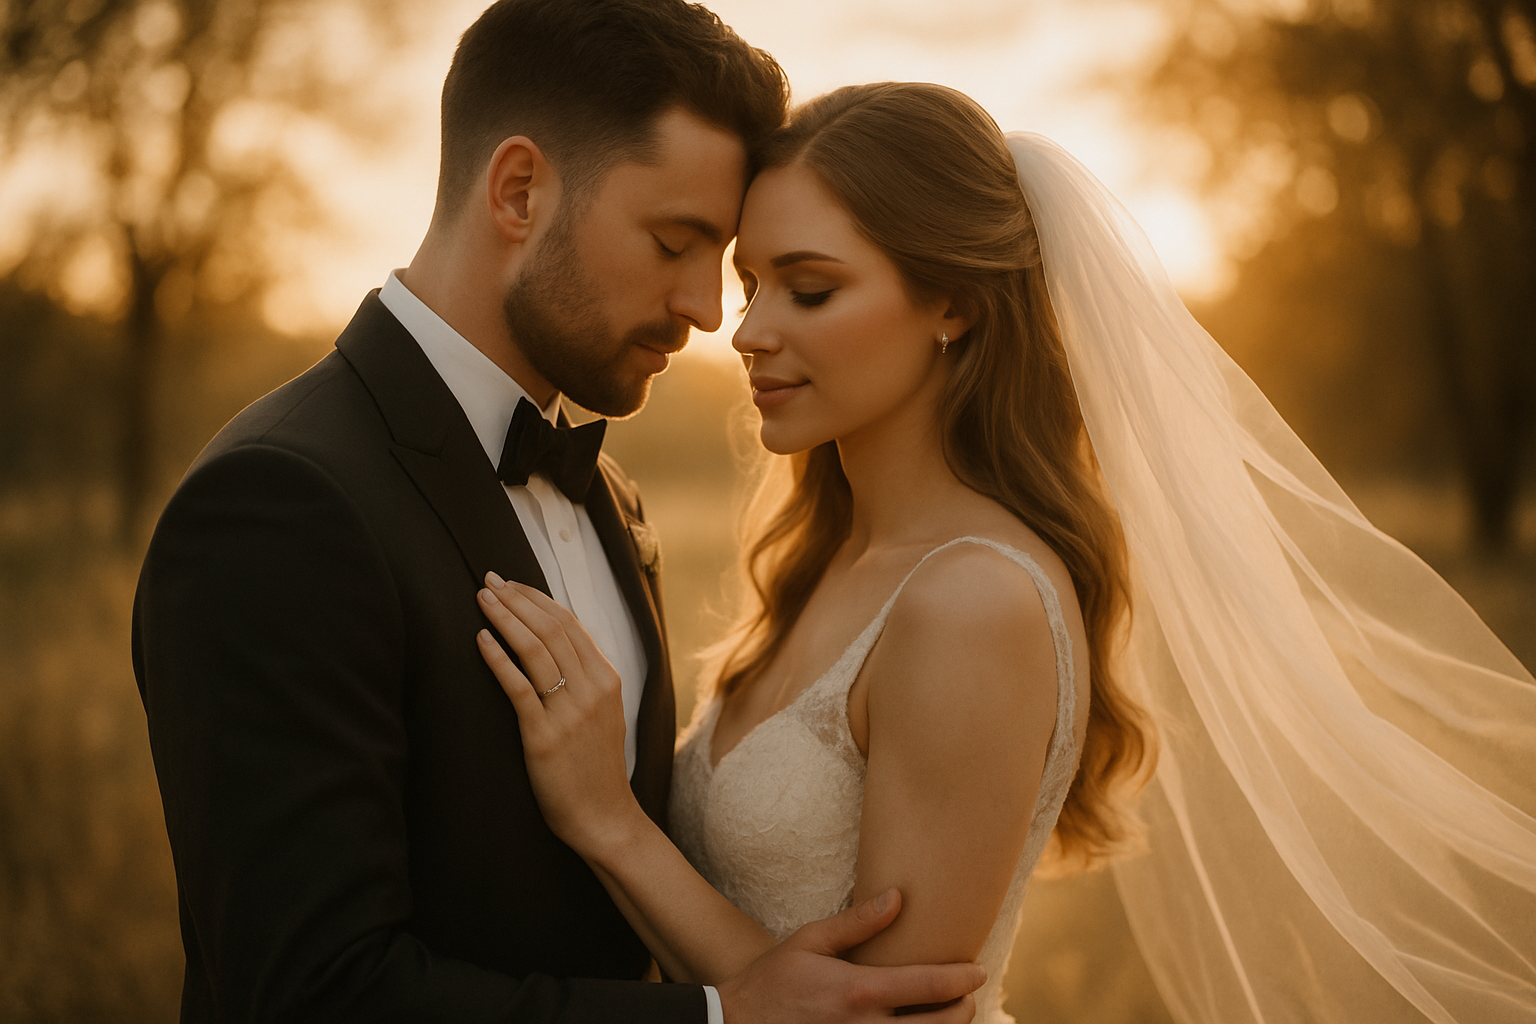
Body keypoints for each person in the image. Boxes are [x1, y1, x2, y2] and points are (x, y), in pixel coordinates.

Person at [475, 82, 1536, 1024]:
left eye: (811, 289)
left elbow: (887, 1019)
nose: (746, 331)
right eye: (753, 285)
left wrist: (610, 823)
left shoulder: (974, 599)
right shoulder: (832, 557)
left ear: (955, 304)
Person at [131, 4, 987, 1021]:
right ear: (519, 191)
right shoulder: (280, 502)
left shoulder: (608, 495)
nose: (709, 310)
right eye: (675, 242)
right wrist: (719, 1017)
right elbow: (309, 993)